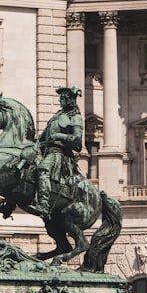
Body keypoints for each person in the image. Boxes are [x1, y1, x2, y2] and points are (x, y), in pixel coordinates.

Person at [29, 86, 84, 216]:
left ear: (68, 100)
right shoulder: (57, 116)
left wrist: (60, 136)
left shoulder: (75, 117)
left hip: (58, 153)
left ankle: (43, 204)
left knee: (43, 169)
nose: (60, 100)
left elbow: (77, 142)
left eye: (62, 98)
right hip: (46, 150)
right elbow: (44, 135)